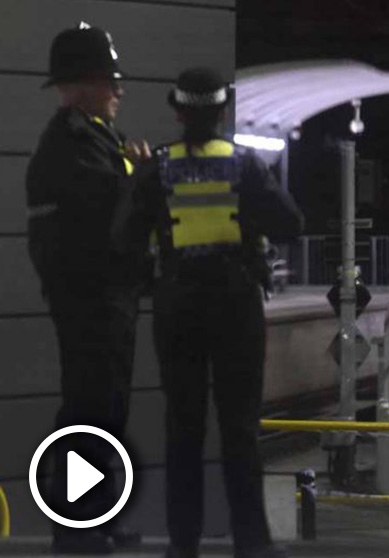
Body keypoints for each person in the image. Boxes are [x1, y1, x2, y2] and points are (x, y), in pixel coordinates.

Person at [119, 67, 303, 558]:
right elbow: (290, 222)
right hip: (236, 305)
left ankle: (183, 545)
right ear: (222, 111)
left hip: (176, 307)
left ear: (178, 112)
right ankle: (251, 542)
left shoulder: (156, 168)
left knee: (183, 428)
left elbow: (125, 239)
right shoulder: (245, 166)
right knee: (239, 427)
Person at [26, 23, 148, 555]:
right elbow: (106, 214)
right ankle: (75, 530)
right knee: (87, 409)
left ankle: (97, 518)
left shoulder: (100, 138)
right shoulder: (68, 147)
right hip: (88, 301)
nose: (119, 89)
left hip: (111, 298)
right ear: (79, 85)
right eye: (109, 80)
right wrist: (140, 180)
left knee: (108, 409)